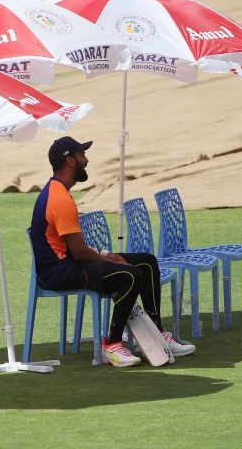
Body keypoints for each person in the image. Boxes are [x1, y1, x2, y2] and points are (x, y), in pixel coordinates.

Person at [29, 136, 194, 367]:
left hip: (70, 263)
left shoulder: (60, 192)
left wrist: (107, 255)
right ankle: (112, 345)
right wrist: (113, 261)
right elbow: (78, 252)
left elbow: (74, 246)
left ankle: (157, 333)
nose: (86, 159)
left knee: (146, 262)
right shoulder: (59, 199)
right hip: (59, 272)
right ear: (70, 161)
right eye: (81, 154)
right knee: (130, 274)